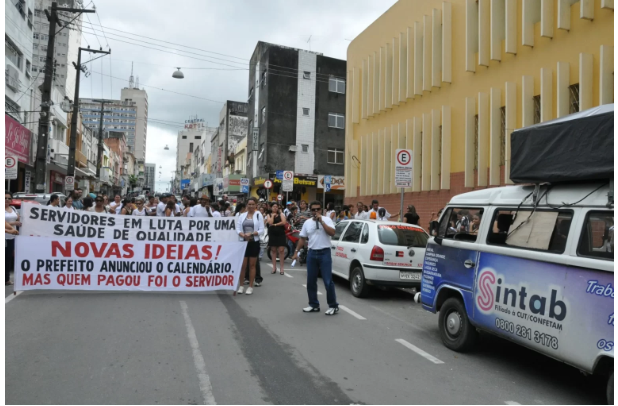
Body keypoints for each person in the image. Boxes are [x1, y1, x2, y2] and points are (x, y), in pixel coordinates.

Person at [291, 200, 339, 315]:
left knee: (328, 281)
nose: (316, 211)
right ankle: (313, 304)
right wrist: (296, 252)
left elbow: (332, 233)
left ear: (321, 210)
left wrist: (322, 222)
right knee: (311, 281)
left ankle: (333, 306)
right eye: (313, 210)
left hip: (324, 253)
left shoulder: (327, 220)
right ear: (310, 211)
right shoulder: (307, 223)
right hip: (312, 253)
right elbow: (302, 238)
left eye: (318, 209)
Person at [235, 197, 265, 295]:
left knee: (252, 265)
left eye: (253, 204)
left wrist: (252, 234)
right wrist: (243, 235)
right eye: (249, 204)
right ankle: (241, 285)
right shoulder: (242, 215)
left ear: (256, 205)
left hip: (254, 242)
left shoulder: (258, 215)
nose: (251, 206)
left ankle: (250, 286)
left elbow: (261, 230)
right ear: (246, 205)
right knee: (242, 265)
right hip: (243, 242)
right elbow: (238, 228)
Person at [5, 192, 21, 286]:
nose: (7, 200)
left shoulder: (13, 208)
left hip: (12, 237)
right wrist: (14, 224)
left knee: (8, 258)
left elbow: (18, 219)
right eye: (5, 198)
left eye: (9, 198)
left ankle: (6, 279)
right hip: (4, 236)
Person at [266, 203, 287, 275]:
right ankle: (274, 267)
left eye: (276, 207)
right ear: (271, 207)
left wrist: (275, 224)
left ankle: (282, 268)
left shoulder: (281, 214)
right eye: (273, 207)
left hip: (280, 234)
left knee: (281, 250)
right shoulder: (269, 214)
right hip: (272, 234)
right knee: (273, 250)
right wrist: (273, 216)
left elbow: (284, 222)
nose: (275, 208)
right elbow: (270, 222)